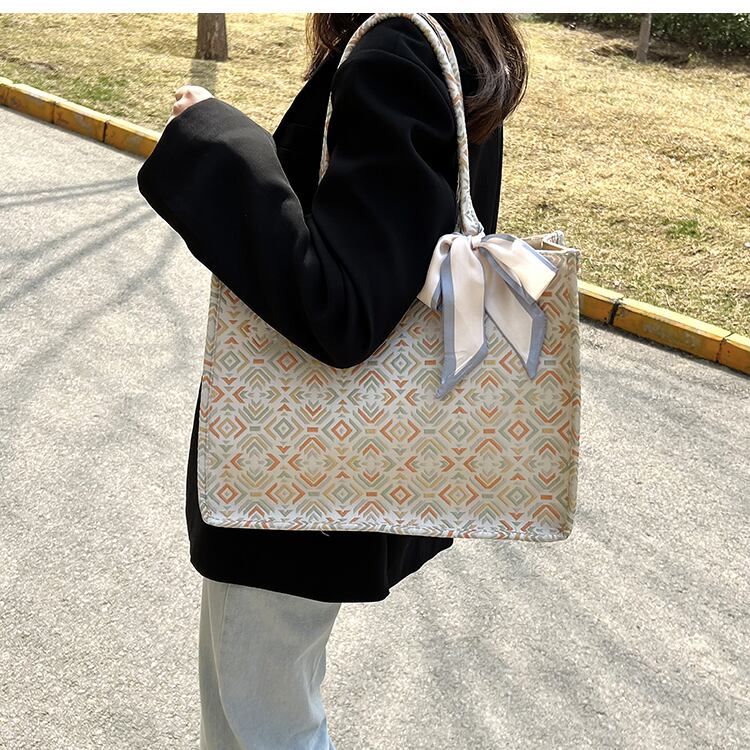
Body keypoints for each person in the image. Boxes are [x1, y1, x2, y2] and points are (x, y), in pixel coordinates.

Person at [137, 12, 529, 750]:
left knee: (262, 723)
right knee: (257, 712)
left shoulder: (395, 53)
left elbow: (342, 306)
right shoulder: (447, 36)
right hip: (327, 474)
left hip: (295, 479)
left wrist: (214, 139)